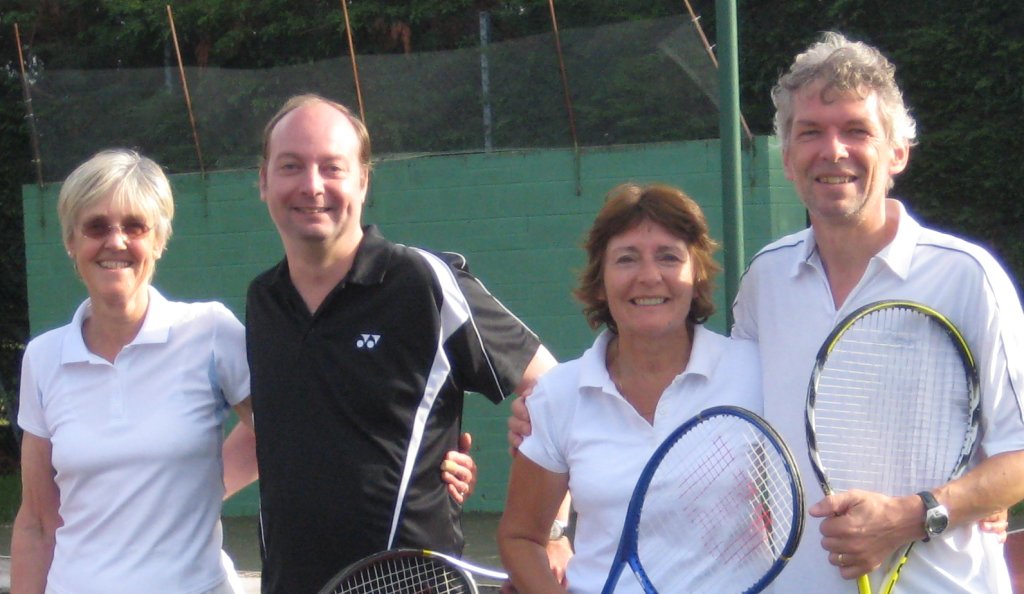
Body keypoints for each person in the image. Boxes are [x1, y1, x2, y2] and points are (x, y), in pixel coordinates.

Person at [729, 32, 1024, 592]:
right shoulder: (765, 278)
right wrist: (560, 402)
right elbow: (721, 405)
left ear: (897, 153)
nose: (832, 150)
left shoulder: (968, 276)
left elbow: (1020, 457)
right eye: (810, 131)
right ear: (787, 157)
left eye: (856, 130)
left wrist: (908, 518)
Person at [236, 93, 559, 593]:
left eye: (332, 167)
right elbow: (276, 426)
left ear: (363, 181)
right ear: (263, 180)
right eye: (291, 166)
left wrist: (548, 534)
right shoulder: (262, 301)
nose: (311, 185)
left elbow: (558, 390)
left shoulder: (424, 283)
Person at [497, 183, 762, 593]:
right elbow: (521, 537)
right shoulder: (558, 394)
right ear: (600, 280)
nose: (649, 276)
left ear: (697, 274)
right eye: (627, 259)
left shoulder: (755, 373)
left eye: (669, 257)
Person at [11, 149, 256, 594]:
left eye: (135, 226)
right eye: (96, 227)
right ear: (71, 242)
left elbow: (284, 430)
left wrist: (202, 489)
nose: (116, 241)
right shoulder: (43, 358)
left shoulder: (211, 332)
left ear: (159, 240)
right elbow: (37, 523)